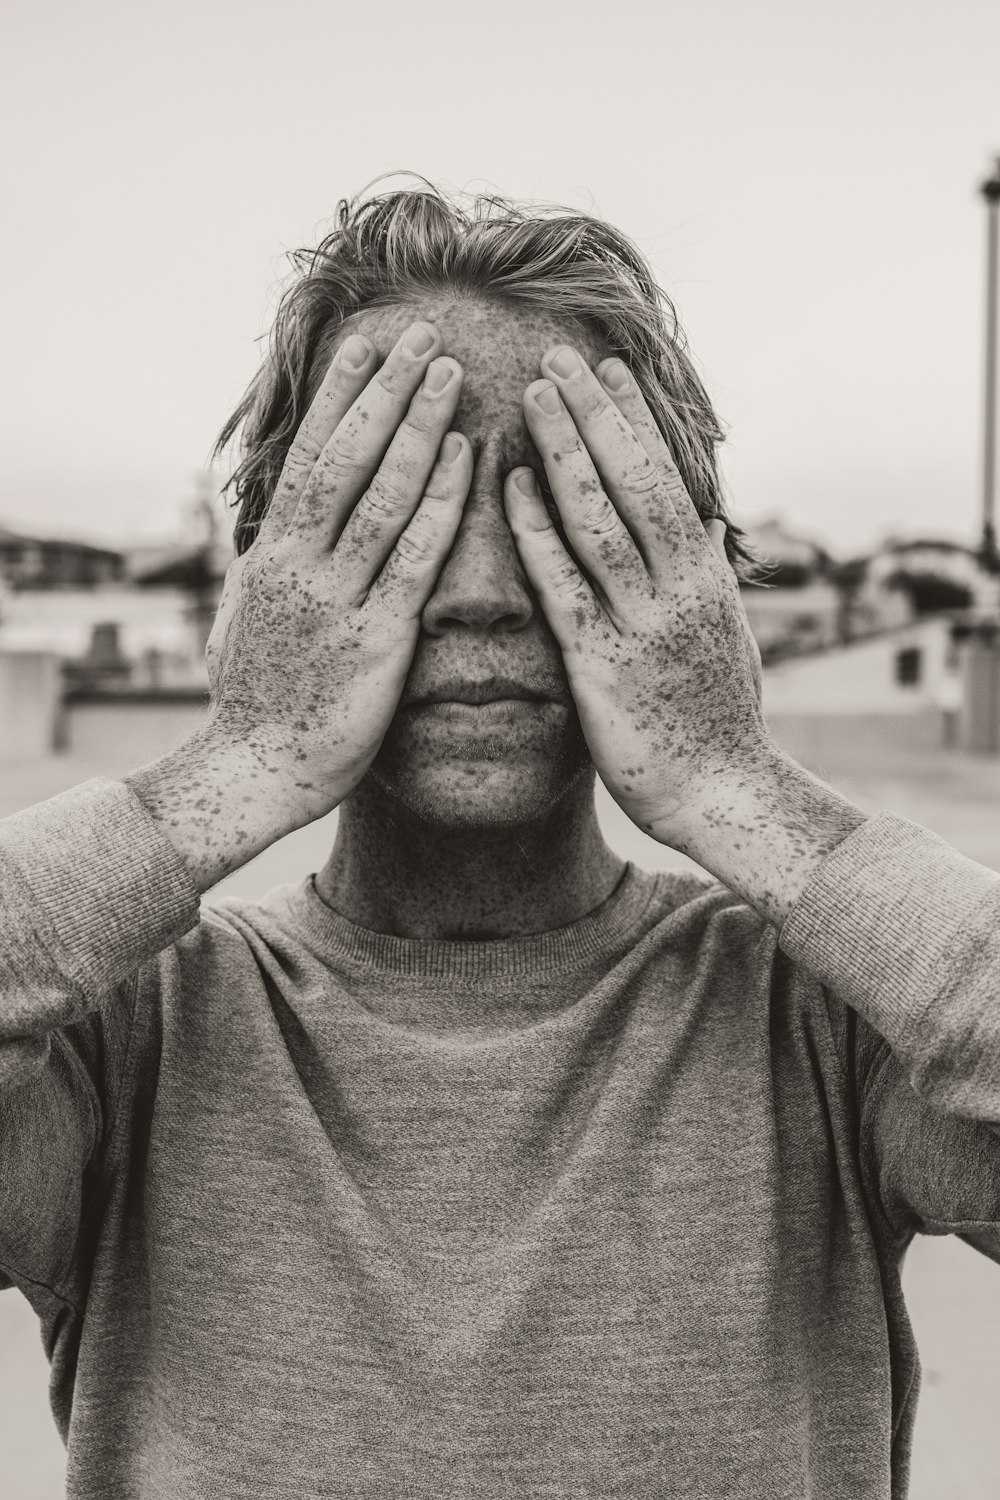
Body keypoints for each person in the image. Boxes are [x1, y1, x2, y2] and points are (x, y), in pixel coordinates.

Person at [2, 180, 998, 1500]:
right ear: (270, 583)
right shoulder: (130, 1038)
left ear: (684, 572)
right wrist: (238, 766)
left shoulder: (825, 1024)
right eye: (396, 518)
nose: (477, 594)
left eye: (554, 515)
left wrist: (727, 780)